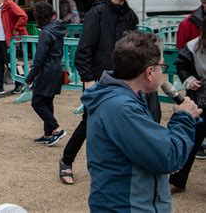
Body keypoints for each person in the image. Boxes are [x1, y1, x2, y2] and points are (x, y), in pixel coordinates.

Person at [84, 32, 201, 212]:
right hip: (129, 206)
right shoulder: (122, 108)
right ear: (149, 72)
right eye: (162, 66)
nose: (163, 71)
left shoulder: (125, 99)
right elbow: (167, 157)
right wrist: (184, 118)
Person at [58, 0, 142, 185]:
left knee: (121, 123)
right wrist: (88, 80)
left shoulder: (130, 16)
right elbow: (84, 49)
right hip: (97, 79)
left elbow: (132, 51)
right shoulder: (98, 12)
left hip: (123, 80)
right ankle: (66, 161)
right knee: (89, 123)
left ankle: (116, 167)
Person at [169, 16, 206, 193]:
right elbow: (181, 66)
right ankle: (178, 180)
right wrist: (190, 80)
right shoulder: (192, 46)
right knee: (191, 141)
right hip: (199, 99)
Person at [25, 2, 67, 146]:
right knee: (47, 100)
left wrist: (29, 79)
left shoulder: (46, 33)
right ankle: (48, 133)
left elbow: (39, 60)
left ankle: (56, 129)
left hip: (47, 70)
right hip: (57, 69)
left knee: (37, 102)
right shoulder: (57, 28)